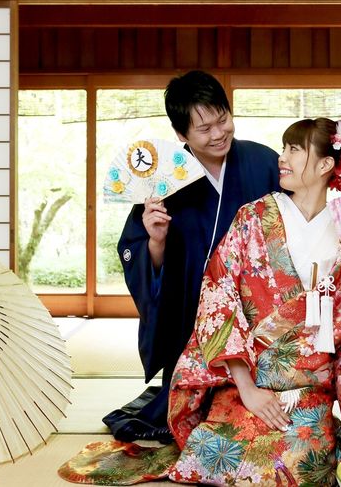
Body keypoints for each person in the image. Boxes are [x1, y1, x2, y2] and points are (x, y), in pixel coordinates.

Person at [60, 116, 341, 485]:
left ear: (326, 164)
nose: (282, 157)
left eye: (294, 149)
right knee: (215, 453)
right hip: (246, 380)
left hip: (308, 389)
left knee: (300, 465)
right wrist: (248, 390)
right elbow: (218, 300)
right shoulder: (252, 218)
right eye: (284, 148)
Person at [103, 70, 281, 442]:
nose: (218, 134)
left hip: (257, 312)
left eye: (223, 120)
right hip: (192, 318)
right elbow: (135, 252)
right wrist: (156, 241)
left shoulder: (263, 161)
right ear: (181, 134)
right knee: (194, 420)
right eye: (204, 129)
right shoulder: (164, 177)